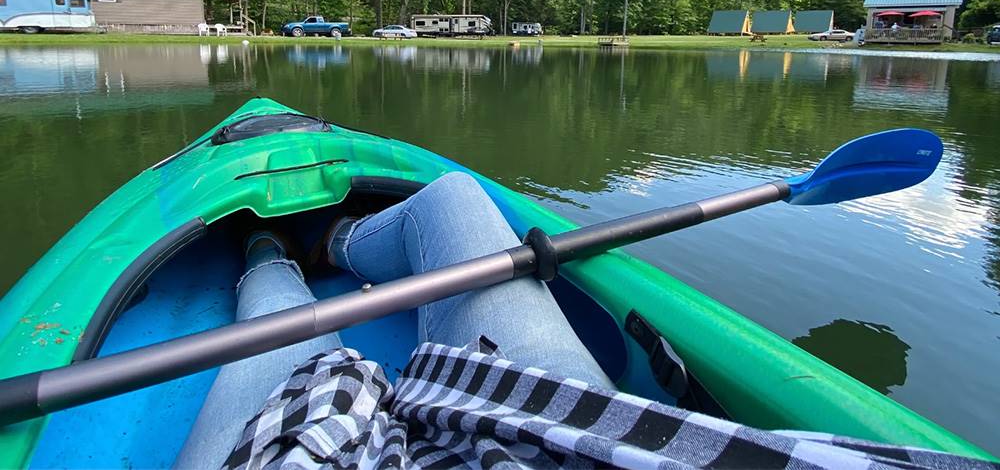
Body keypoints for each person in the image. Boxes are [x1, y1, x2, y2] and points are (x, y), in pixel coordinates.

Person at [175, 174, 996, 470]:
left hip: (310, 453)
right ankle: (331, 246)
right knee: (454, 197)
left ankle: (278, 252)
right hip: (577, 433)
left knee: (285, 325)